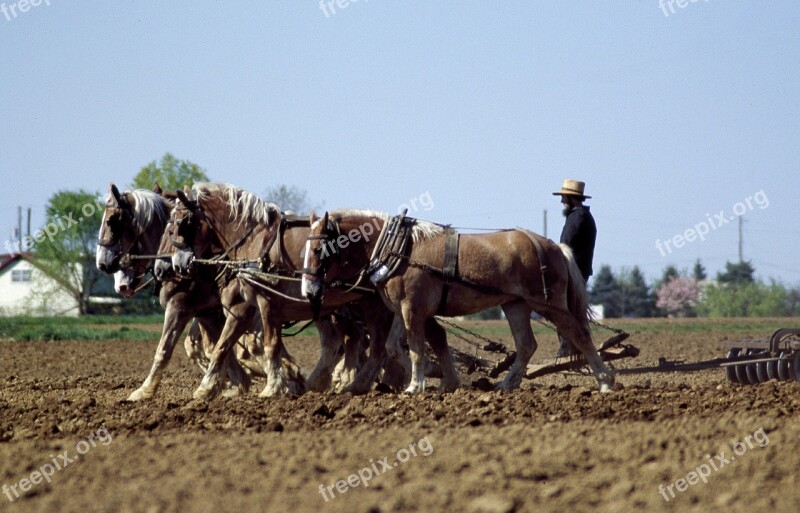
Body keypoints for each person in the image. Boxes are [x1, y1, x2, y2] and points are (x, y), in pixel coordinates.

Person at [552, 179, 596, 358]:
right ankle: (572, 348)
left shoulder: (577, 217)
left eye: (564, 198)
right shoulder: (583, 216)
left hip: (574, 271)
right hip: (578, 270)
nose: (562, 202)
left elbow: (566, 243)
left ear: (572, 199)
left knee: (565, 309)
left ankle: (567, 349)